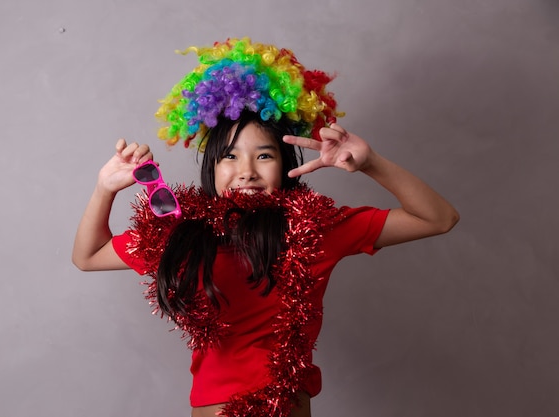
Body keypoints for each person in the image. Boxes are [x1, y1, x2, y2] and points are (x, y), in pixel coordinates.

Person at [72, 38, 459, 417]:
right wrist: (105, 188)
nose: (246, 171)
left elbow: (438, 218)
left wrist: (371, 162)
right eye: (230, 156)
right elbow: (87, 257)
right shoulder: (182, 234)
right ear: (212, 167)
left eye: (263, 155)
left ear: (285, 163)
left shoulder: (316, 229)